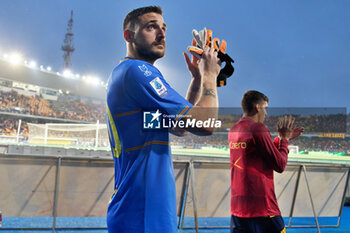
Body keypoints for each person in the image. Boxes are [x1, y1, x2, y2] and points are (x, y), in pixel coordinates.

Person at [106, 6, 221, 233]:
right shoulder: (138, 71)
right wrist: (210, 75)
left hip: (138, 214)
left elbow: (180, 128)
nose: (162, 34)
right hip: (143, 217)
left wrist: (197, 80)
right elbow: (206, 124)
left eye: (163, 28)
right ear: (128, 36)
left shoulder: (126, 75)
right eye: (151, 27)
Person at [228, 90, 304, 233]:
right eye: (265, 108)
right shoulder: (258, 128)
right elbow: (280, 165)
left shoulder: (234, 129)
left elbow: (257, 152)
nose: (266, 113)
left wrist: (280, 139)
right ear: (258, 107)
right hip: (263, 208)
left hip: (238, 209)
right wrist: (285, 140)